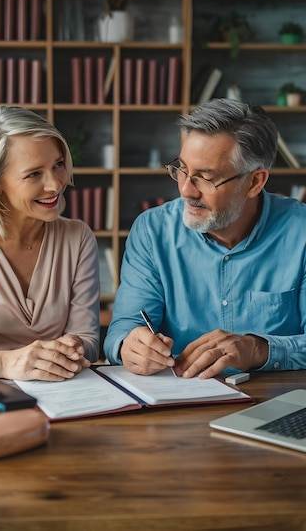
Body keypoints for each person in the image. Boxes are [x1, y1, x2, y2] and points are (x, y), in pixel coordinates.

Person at [104, 98, 306, 378]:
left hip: (277, 403)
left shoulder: (301, 232)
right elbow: (124, 328)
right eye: (182, 169)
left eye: (206, 177)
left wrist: (257, 349)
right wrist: (129, 345)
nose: (186, 190)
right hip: (180, 404)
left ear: (255, 182)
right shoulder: (152, 231)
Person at [0, 106, 100, 382]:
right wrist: (4, 362)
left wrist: (73, 347)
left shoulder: (78, 238)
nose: (55, 185)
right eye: (34, 174)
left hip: (62, 398)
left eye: (58, 165)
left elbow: (88, 339)